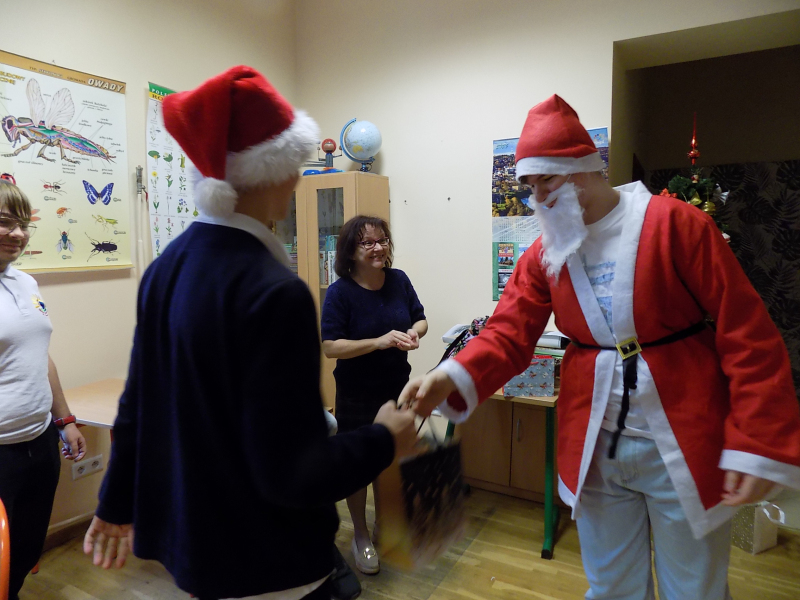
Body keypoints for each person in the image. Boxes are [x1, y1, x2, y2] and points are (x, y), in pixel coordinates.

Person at [400, 95, 800, 600]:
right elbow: (507, 332)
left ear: (586, 169)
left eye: (547, 180)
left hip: (681, 436)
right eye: (529, 185)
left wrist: (755, 438)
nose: (537, 197)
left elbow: (746, 332)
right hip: (593, 443)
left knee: (694, 589)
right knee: (611, 587)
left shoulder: (676, 225)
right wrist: (450, 375)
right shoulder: (544, 254)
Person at [82, 66, 417, 600]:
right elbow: (294, 473)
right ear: (275, 171)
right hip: (267, 562)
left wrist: (114, 503)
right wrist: (384, 437)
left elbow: (137, 405)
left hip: (195, 548)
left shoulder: (166, 268)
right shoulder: (274, 291)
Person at [321, 215, 427, 574]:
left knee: (390, 459)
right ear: (351, 251)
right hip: (356, 394)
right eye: (368, 242)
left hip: (395, 387)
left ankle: (384, 524)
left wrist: (414, 333)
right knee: (358, 466)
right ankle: (361, 536)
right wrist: (378, 342)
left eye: (382, 240)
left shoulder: (398, 280)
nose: (378, 247)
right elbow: (331, 347)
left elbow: (420, 319)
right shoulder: (340, 293)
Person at [0, 178, 86, 600]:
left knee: (26, 547)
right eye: (5, 222)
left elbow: (40, 357)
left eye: (23, 224)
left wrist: (64, 420)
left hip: (39, 442)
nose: (18, 233)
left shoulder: (25, 283)